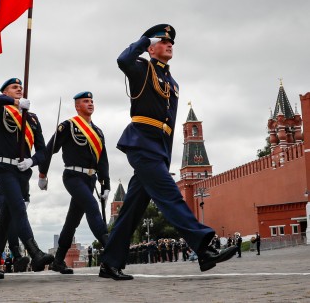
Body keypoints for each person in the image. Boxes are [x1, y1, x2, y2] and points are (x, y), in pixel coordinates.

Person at [99, 24, 238, 281]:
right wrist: (143, 40)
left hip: (158, 149)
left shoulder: (172, 83)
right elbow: (122, 59)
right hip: (141, 143)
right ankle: (204, 247)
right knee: (171, 196)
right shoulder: (141, 68)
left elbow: (170, 124)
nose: (169, 44)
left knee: (131, 211)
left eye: (170, 41)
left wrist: (165, 156)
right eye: (162, 41)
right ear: (151, 48)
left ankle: (109, 262)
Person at [35, 91, 111, 274]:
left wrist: (106, 183)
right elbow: (49, 149)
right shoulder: (69, 126)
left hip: (90, 179)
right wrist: (42, 174)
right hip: (73, 176)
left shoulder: (98, 131)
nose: (90, 103)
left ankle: (59, 260)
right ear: (77, 106)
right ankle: (111, 246)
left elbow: (103, 159)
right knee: (92, 207)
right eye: (86, 101)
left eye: (92, 101)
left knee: (72, 221)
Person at [0, 78, 53, 273]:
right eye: (14, 88)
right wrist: (15, 103)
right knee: (18, 208)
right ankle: (35, 253)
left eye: (20, 88)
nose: (19, 90)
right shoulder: (2, 111)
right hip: (5, 170)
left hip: (23, 172)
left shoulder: (32, 118)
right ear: (6, 92)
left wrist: (32, 161)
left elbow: (42, 150)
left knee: (5, 219)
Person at [0, 147, 30, 279]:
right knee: (10, 221)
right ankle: (17, 256)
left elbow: (23, 175)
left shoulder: (13, 150)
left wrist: (26, 196)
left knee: (3, 224)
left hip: (15, 191)